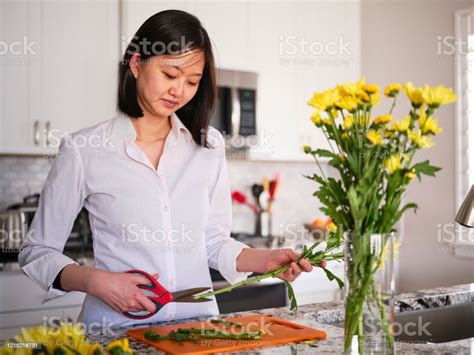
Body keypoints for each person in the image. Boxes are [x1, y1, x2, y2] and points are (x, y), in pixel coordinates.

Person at [18, 9, 317, 329]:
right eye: (170, 75)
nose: (180, 91)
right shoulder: (84, 149)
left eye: (192, 81)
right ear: (136, 64)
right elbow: (37, 251)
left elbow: (214, 243)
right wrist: (96, 281)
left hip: (197, 329)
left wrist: (264, 260)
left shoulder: (209, 145)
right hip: (114, 331)